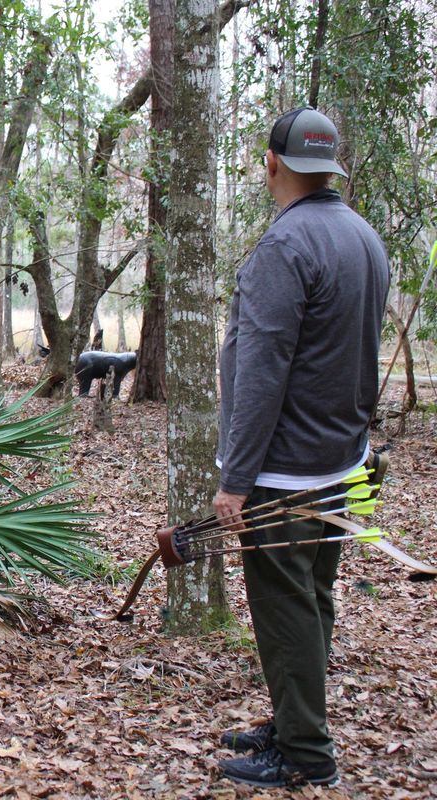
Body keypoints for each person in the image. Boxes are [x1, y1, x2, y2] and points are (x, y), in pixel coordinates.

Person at [211, 107, 389, 788]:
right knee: (313, 601)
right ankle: (293, 721)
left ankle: (306, 754)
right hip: (339, 464)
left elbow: (261, 373)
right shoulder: (362, 237)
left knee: (287, 610)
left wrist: (237, 478)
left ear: (272, 164)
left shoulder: (285, 248)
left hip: (284, 474)